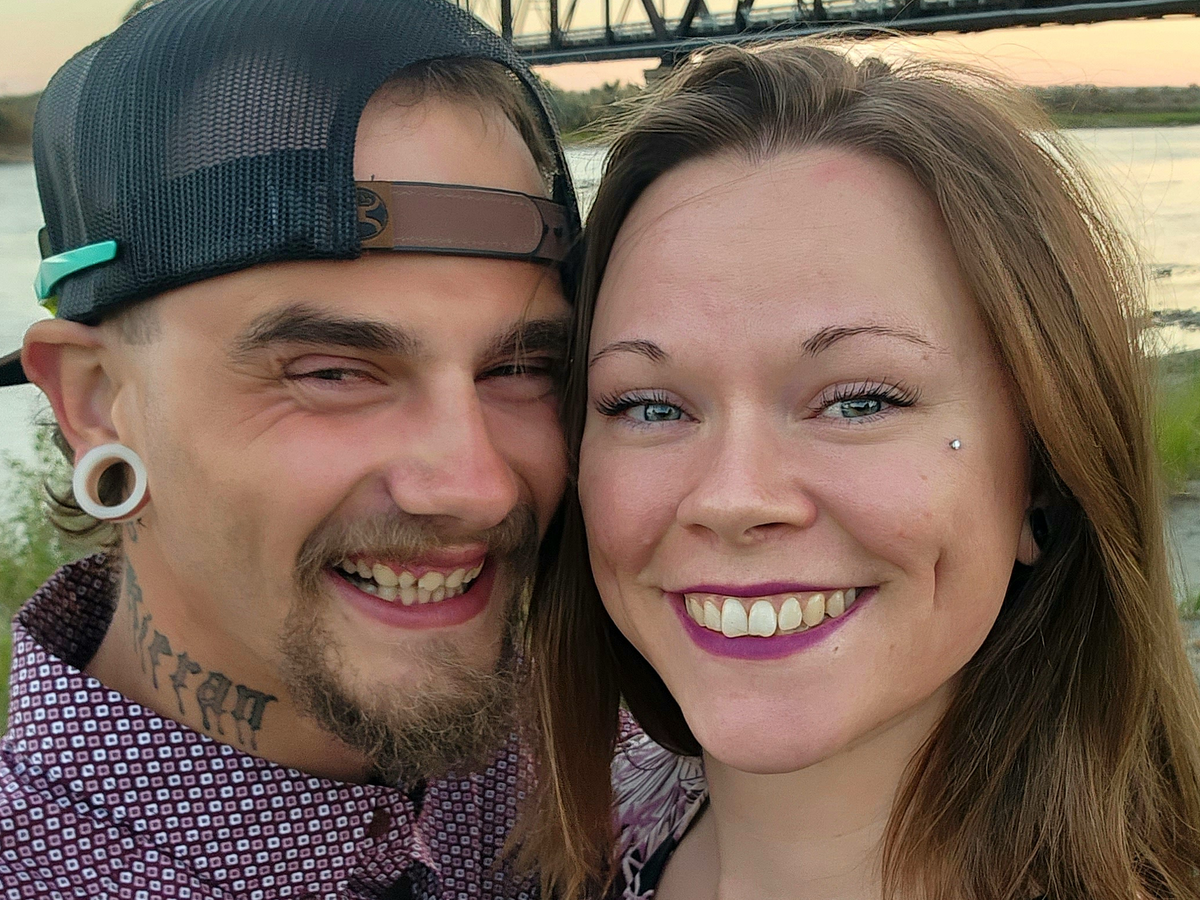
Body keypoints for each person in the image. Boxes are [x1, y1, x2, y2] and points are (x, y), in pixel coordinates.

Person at [522, 40, 1200, 900]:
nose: (734, 498)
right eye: (651, 407)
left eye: (858, 402)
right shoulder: (545, 845)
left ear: (1045, 468)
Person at [0, 0, 580, 896]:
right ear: (98, 404)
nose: (477, 486)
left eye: (520, 368)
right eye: (333, 372)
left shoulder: (638, 777)